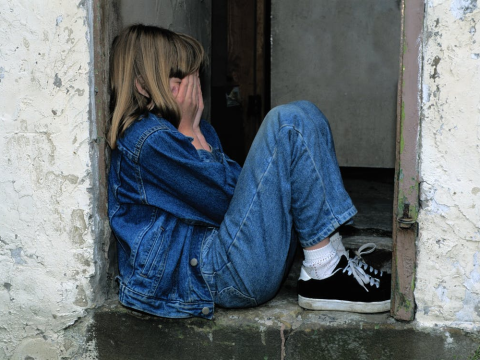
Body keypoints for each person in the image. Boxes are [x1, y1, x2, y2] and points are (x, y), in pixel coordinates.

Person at [107, 24, 391, 319]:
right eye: (180, 79)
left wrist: (197, 134)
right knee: (287, 122)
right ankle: (324, 272)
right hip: (214, 274)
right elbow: (227, 201)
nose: (193, 90)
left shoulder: (187, 130)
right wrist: (191, 132)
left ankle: (329, 259)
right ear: (143, 85)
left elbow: (240, 198)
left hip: (227, 259)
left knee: (304, 113)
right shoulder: (149, 140)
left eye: (194, 78)